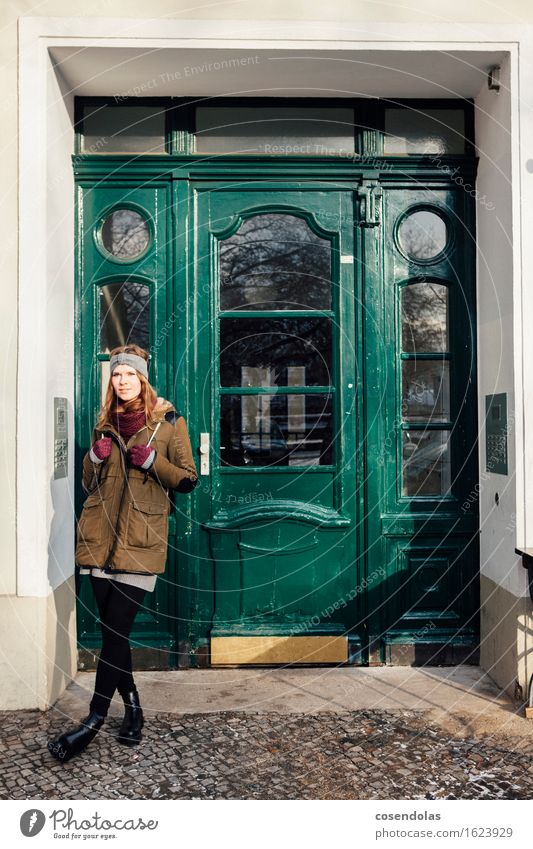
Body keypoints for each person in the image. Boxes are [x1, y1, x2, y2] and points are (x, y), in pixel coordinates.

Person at [48, 344, 198, 762]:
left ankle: (93, 720)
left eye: (130, 374)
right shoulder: (104, 424)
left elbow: (187, 480)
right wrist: (93, 459)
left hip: (141, 541)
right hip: (99, 540)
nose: (123, 381)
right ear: (111, 380)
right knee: (117, 636)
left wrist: (153, 463)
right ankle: (132, 706)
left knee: (115, 632)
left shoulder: (168, 422)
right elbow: (88, 484)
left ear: (143, 378)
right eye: (117, 375)